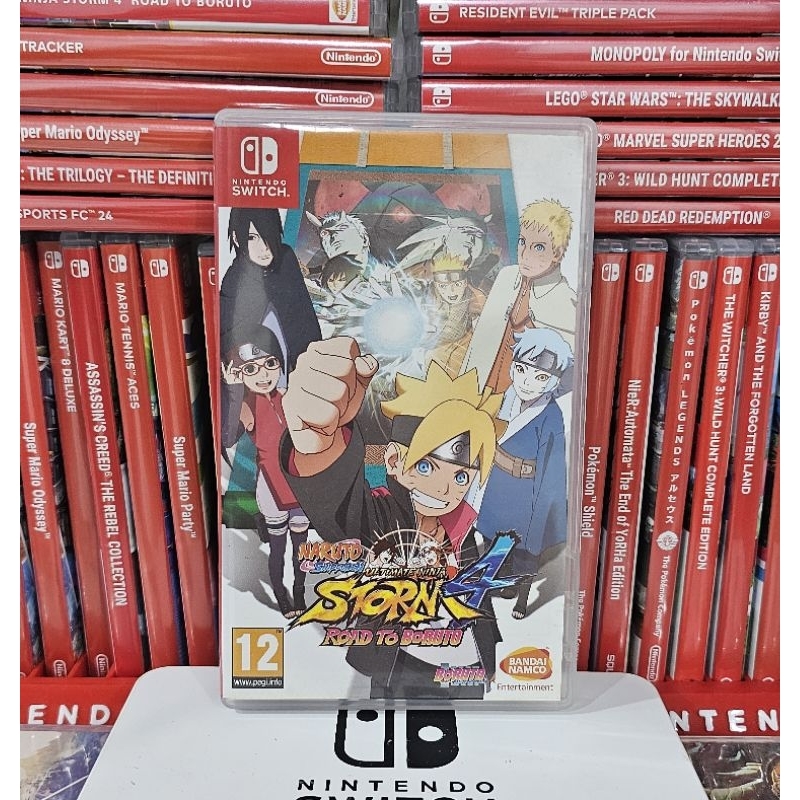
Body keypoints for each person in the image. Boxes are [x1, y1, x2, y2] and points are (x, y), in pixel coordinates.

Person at [278, 340, 520, 698]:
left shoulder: (461, 521)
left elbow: (476, 591)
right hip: (401, 663)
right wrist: (319, 449)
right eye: (426, 467)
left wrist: (489, 653)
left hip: (467, 664)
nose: (444, 488)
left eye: (460, 476)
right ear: (394, 461)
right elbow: (344, 512)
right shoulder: (387, 514)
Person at [474, 327, 572, 620]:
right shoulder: (505, 399)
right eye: (521, 370)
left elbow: (552, 468)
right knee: (492, 538)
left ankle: (523, 597)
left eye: (540, 377)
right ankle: (496, 585)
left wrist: (543, 507)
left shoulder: (551, 414)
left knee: (527, 548)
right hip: (498, 482)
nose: (527, 382)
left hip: (529, 489)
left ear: (554, 381)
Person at [221, 324, 310, 619]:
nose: (263, 374)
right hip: (271, 486)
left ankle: (299, 591)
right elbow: (228, 437)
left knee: (301, 547)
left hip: (299, 482)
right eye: (251, 369)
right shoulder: (246, 405)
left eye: (270, 363)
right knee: (278, 548)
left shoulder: (290, 396)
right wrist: (233, 389)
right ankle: (282, 596)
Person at [461, 198, 577, 395]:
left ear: (557, 253)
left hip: (521, 402)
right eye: (523, 242)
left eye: (538, 247)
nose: (526, 253)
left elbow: (567, 378)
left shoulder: (567, 302)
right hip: (477, 392)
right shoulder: (507, 276)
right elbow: (481, 343)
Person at [219, 207, 321, 379]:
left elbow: (306, 319)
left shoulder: (286, 258)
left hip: (304, 369)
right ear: (236, 238)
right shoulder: (234, 281)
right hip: (260, 377)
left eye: (268, 234)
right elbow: (229, 344)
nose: (264, 247)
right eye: (252, 237)